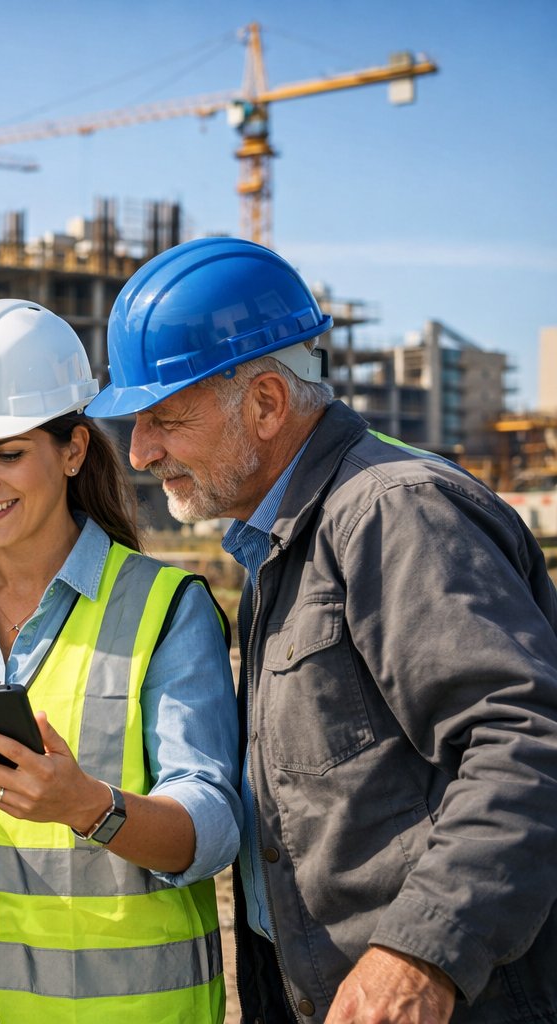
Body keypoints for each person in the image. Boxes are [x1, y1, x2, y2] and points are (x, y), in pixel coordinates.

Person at [85, 236, 557, 1023]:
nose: (140, 453)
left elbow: (525, 742)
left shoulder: (389, 511)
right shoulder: (281, 540)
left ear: (267, 403)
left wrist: (420, 954)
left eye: (165, 418)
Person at [0, 298, 242, 1024]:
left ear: (74, 450)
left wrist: (88, 807)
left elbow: (211, 827)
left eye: (8, 452)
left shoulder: (164, 607)